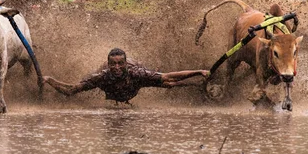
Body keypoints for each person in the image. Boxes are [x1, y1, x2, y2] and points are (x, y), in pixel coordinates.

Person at [42, 48, 209, 104]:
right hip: (115, 93)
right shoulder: (102, 76)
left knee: (169, 83)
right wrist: (50, 80)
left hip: (133, 86)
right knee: (87, 82)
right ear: (108, 65)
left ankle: (198, 85)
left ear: (125, 63)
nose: (116, 67)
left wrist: (198, 71)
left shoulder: (137, 73)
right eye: (113, 64)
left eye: (120, 64)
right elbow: (71, 90)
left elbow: (168, 76)